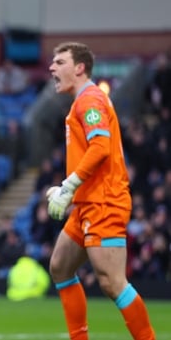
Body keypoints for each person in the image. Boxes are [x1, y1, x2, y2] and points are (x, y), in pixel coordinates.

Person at [46, 42, 156, 340]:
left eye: (59, 62)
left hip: (104, 202)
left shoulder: (90, 100)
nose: (52, 68)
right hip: (87, 202)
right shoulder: (83, 101)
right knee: (60, 266)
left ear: (79, 67)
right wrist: (68, 188)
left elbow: (101, 147)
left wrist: (69, 185)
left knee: (112, 282)